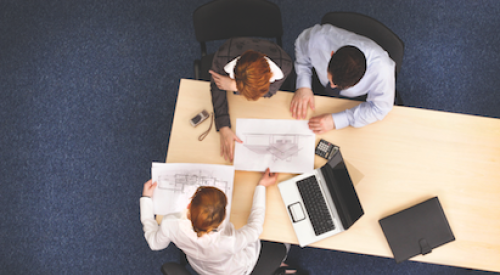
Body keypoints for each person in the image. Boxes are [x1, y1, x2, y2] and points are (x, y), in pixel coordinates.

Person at [140, 168, 298, 275]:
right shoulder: (228, 241)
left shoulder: (170, 224)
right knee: (284, 242)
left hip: (202, 269)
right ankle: (280, 265)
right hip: (235, 270)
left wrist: (146, 200)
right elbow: (255, 227)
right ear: (224, 217)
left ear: (189, 205)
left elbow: (155, 244)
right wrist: (261, 186)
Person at [290, 24, 396, 134]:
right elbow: (302, 50)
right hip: (317, 86)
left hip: (355, 100)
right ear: (332, 54)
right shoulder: (319, 38)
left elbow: (379, 109)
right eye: (330, 79)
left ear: (361, 78)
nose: (331, 86)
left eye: (338, 86)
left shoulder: (382, 71)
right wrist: (303, 85)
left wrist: (337, 120)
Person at [208, 37, 293, 162]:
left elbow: (270, 92)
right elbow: (216, 88)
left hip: (273, 52)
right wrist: (224, 126)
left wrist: (234, 86)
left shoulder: (284, 65)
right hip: (233, 47)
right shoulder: (223, 57)